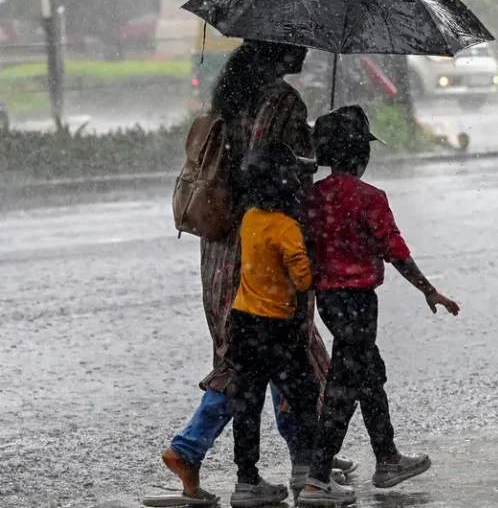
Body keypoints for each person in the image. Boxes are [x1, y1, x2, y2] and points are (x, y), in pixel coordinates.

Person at [160, 41, 354, 504]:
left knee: (276, 356)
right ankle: (192, 448)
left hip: (224, 245)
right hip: (266, 249)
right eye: (297, 41)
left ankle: (306, 456)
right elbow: (269, 169)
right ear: (278, 48)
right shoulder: (281, 99)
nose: (306, 49)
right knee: (264, 360)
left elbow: (246, 161)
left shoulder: (232, 95)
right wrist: (316, 154)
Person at [298, 106, 461, 506]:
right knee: (344, 385)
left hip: (328, 302)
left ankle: (387, 459)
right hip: (358, 302)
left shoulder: (310, 198)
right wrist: (428, 289)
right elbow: (395, 250)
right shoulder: (370, 198)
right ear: (361, 155)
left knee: (369, 373)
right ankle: (317, 480)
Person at [225, 140, 354, 507]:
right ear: (284, 184)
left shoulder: (250, 218)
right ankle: (311, 473)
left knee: (247, 405)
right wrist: (311, 256)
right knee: (303, 395)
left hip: (243, 324)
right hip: (278, 329)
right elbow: (303, 281)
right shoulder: (286, 228)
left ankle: (246, 481)